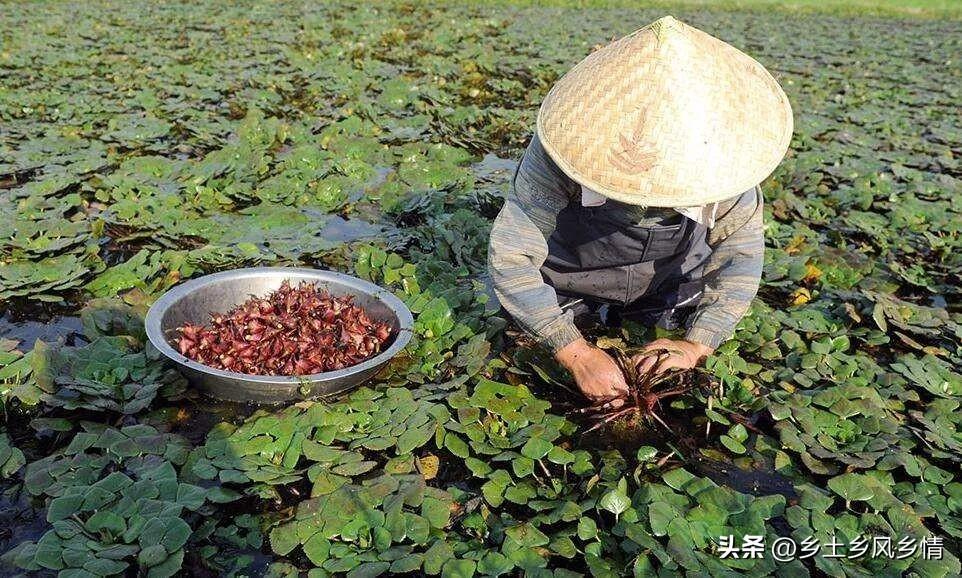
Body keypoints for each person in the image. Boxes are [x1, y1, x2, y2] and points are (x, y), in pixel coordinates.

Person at [487, 16, 793, 403]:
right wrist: (576, 353)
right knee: (518, 345)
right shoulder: (563, 148)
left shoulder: (724, 164)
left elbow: (740, 260)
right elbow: (512, 255)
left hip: (670, 279)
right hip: (568, 275)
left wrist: (696, 345)